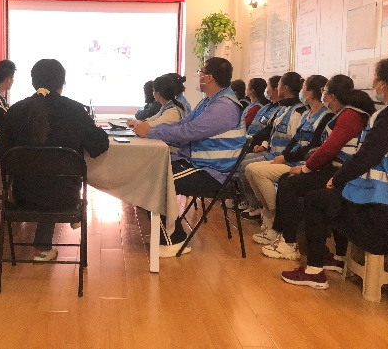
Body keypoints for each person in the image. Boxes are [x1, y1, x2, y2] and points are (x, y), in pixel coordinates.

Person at [281, 57, 388, 290]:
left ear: (384, 84)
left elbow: (364, 158)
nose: (373, 84)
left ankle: (314, 271)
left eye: (376, 79)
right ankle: (338, 258)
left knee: (316, 200)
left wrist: (336, 179)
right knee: (336, 195)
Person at [0, 59, 109, 262]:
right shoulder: (74, 110)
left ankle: (43, 248)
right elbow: (98, 146)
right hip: (66, 197)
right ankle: (45, 244)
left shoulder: (16, 111)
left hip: (23, 197)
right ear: (62, 83)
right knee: (53, 182)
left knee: (42, 179)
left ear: (33, 82)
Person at [133, 57, 245, 257]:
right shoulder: (210, 101)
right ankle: (166, 232)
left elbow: (189, 132)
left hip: (213, 173)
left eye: (201, 73)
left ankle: (174, 239)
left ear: (209, 78)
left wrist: (150, 132)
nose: (198, 76)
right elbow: (183, 125)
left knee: (156, 181)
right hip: (199, 164)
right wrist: (151, 130)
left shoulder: (224, 106)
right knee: (151, 170)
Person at [262, 77, 376, 261]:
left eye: (325, 92)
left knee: (289, 185)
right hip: (337, 169)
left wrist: (306, 168)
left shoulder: (349, 115)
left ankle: (290, 244)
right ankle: (285, 236)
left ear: (332, 96)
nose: (323, 96)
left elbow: (330, 148)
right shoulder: (348, 113)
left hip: (343, 173)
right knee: (286, 180)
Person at [245, 75, 332, 245]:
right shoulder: (307, 114)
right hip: (290, 158)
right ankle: (269, 212)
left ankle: (275, 216)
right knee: (249, 169)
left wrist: (286, 157)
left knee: (258, 172)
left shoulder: (325, 117)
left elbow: (314, 146)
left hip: (303, 163)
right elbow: (295, 139)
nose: (301, 91)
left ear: (310, 92)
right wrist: (284, 155)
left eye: (304, 88)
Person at [237, 73, 305, 219]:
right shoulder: (284, 108)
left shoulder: (298, 112)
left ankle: (270, 211)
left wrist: (285, 157)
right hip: (272, 152)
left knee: (246, 166)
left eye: (278, 85)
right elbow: (271, 131)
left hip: (285, 158)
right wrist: (263, 144)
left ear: (284, 87)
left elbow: (296, 141)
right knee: (243, 164)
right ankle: (262, 207)